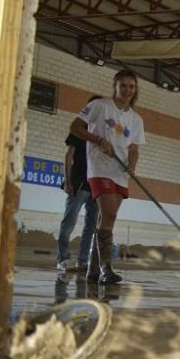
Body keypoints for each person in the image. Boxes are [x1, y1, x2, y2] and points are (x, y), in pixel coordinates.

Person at [70, 71, 145, 285]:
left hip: (120, 173)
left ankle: (93, 271)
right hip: (100, 166)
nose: (127, 90)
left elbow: (134, 148)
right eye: (123, 86)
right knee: (109, 214)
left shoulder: (136, 119)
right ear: (115, 86)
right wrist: (97, 139)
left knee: (107, 220)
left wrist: (131, 167)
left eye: (131, 86)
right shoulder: (100, 106)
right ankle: (106, 269)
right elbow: (74, 127)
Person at [56, 95, 102, 274]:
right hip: (78, 184)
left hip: (95, 186)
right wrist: (67, 181)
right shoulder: (79, 129)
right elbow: (68, 156)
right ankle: (63, 259)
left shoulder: (102, 133)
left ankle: (83, 262)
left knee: (91, 226)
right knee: (68, 223)